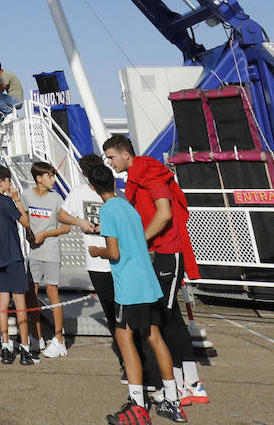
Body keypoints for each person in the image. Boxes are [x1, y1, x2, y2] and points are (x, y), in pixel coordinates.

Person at [103, 135, 209, 408]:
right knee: (169, 318)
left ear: (126, 155)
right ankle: (187, 382)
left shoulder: (150, 172)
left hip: (167, 252)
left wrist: (140, 241)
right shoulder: (137, 176)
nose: (109, 162)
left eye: (111, 157)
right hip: (158, 253)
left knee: (166, 318)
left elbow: (164, 214)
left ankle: (189, 384)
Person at [85, 159, 188, 424]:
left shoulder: (108, 210)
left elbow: (114, 252)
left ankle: (138, 406)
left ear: (92, 186)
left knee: (124, 340)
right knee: (154, 337)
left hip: (128, 287)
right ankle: (172, 400)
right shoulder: (128, 207)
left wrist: (97, 251)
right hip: (148, 282)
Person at [65, 152, 130, 377]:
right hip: (99, 264)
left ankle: (131, 360)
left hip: (116, 261)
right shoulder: (79, 193)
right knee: (114, 313)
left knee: (122, 314)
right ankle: (127, 359)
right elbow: (62, 214)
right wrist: (80, 221)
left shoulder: (117, 196)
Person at [24, 160, 88, 359]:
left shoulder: (57, 198)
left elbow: (66, 228)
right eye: (49, 176)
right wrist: (29, 232)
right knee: (31, 294)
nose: (53, 179)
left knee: (52, 292)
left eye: (53, 175)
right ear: (39, 178)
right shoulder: (26, 195)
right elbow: (25, 219)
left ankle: (59, 339)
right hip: (33, 252)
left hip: (51, 252)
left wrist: (46, 234)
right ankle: (37, 336)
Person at [0, 164, 34, 366]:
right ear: (0, 182)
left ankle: (5, 346)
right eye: (8, 180)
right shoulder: (6, 201)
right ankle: (25, 348)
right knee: (20, 302)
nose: (10, 183)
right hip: (13, 255)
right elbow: (26, 222)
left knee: (2, 302)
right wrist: (17, 199)